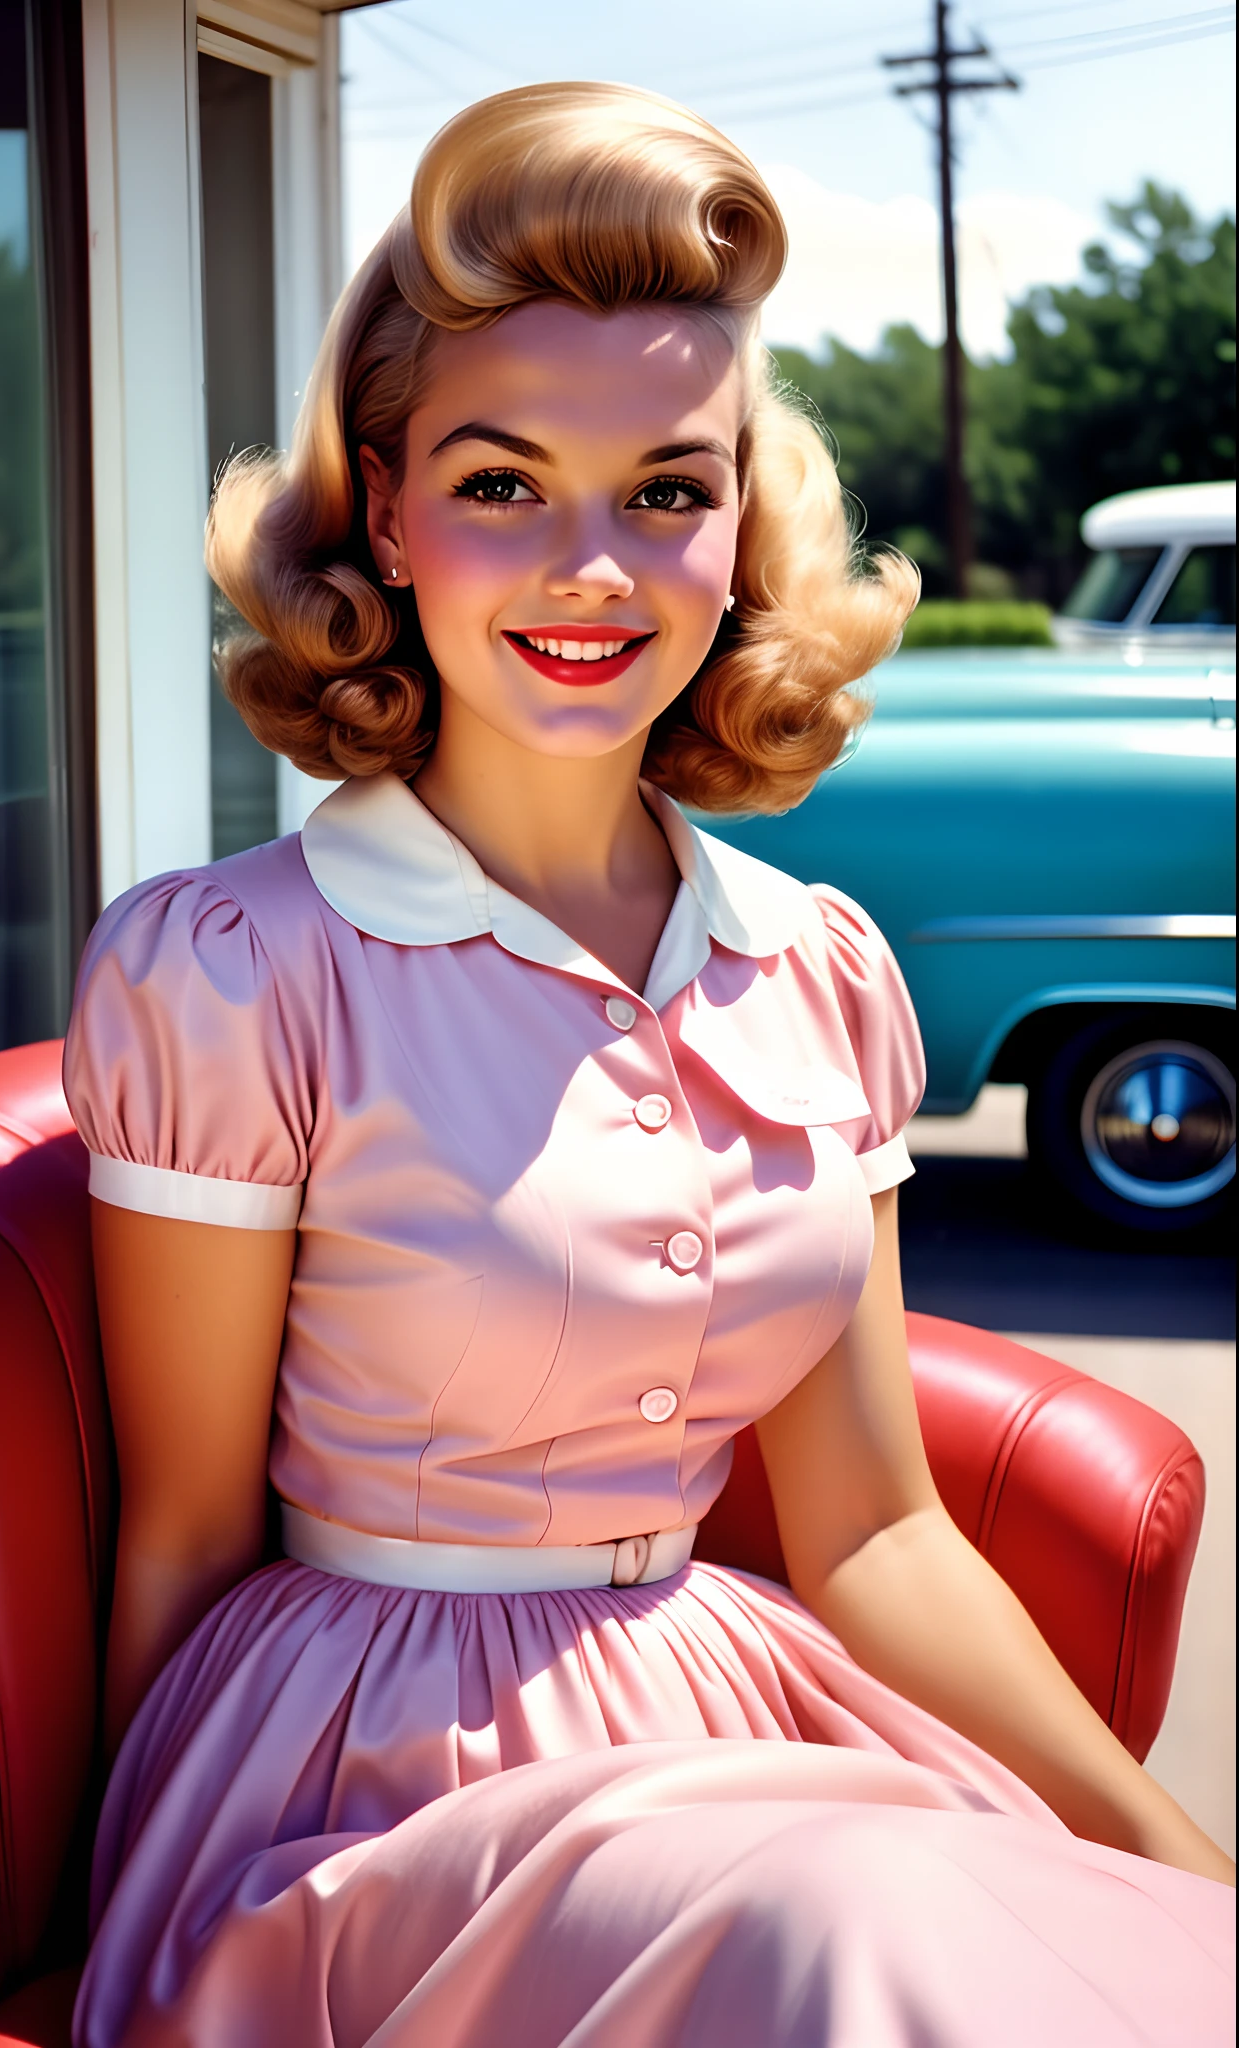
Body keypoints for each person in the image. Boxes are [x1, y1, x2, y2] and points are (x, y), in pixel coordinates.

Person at [65, 81, 1233, 2047]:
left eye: (665, 491)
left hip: (732, 1725)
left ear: (735, 522)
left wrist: (1174, 1856)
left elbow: (872, 1526)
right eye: (503, 483)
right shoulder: (236, 971)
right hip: (359, 1790)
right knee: (855, 1935)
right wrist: (115, 1930)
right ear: (383, 508)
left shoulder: (818, 968)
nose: (592, 566)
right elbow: (181, 1533)